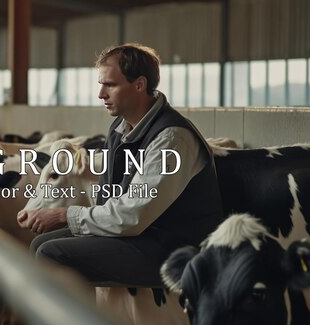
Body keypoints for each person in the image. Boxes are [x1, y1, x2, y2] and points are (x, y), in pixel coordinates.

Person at [17, 43, 223, 286]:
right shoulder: (120, 128)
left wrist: (65, 214)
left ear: (139, 85)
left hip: (173, 247)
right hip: (139, 236)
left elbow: (133, 215)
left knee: (51, 253)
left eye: (111, 85)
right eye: (101, 84)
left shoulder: (171, 138)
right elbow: (109, 194)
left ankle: (78, 323)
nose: (101, 94)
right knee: (40, 244)